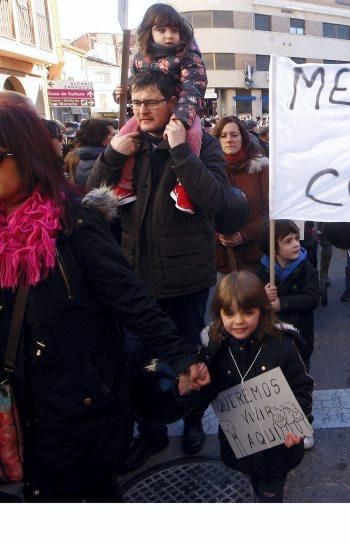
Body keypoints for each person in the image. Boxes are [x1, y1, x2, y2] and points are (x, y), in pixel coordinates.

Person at [0, 90, 208, 501]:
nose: (144, 110)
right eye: (138, 102)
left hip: (78, 408)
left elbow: (129, 298)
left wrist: (183, 357)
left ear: (25, 155)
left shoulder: (75, 222)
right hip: (20, 406)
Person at [86, 69, 227, 473]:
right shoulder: (127, 147)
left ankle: (193, 422)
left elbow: (214, 199)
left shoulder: (202, 145)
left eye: (151, 102)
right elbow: (91, 204)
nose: (142, 110)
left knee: (189, 357)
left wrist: (181, 151)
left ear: (172, 105)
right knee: (138, 361)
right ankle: (150, 431)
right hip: (136, 282)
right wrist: (113, 155)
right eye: (136, 103)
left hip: (185, 283)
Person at [183, 271, 313, 502]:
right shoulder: (215, 348)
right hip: (241, 443)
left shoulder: (283, 345)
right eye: (229, 313)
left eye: (248, 312)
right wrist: (190, 387)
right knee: (254, 481)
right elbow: (205, 394)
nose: (239, 320)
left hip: (278, 446)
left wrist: (298, 421)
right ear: (219, 313)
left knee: (270, 494)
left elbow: (301, 386)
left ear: (262, 311)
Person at [112, 3, 207, 214]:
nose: (169, 35)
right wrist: (124, 93)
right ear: (150, 32)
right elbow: (135, 85)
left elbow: (194, 88)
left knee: (192, 135)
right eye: (162, 30)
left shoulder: (188, 57)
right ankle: (125, 185)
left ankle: (184, 185)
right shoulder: (140, 58)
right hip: (150, 112)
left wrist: (181, 120)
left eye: (174, 30)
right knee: (123, 137)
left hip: (184, 108)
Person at [262, 220, 320, 449]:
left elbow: (312, 298)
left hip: (299, 339)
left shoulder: (306, 267)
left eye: (296, 238)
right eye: (288, 241)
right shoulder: (263, 271)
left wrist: (281, 303)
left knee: (300, 383)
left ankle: (304, 424)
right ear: (272, 247)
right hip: (272, 340)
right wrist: (262, 295)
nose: (296, 244)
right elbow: (252, 304)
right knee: (276, 383)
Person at [211, 116, 269, 277]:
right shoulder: (208, 170)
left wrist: (243, 235)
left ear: (243, 137)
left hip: (254, 259)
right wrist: (220, 235)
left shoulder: (261, 169)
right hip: (221, 261)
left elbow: (269, 213)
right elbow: (202, 213)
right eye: (223, 135)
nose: (229, 140)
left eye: (234, 135)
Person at [70, 119, 117, 188]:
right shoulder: (105, 161)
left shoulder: (86, 158)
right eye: (113, 134)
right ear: (102, 139)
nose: (117, 136)